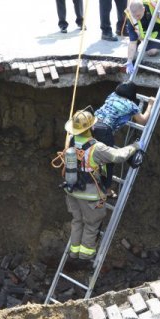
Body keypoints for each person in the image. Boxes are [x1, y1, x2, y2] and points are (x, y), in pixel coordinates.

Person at [63, 110, 141, 260]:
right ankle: (86, 255)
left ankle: (74, 252)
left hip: (72, 190)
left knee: (77, 220)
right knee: (92, 224)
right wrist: (135, 146)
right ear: (91, 128)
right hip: (90, 194)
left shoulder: (71, 139)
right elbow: (118, 156)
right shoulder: (96, 147)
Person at [92, 81, 154, 196]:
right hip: (104, 130)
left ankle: (94, 182)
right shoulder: (131, 106)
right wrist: (150, 104)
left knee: (93, 155)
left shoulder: (112, 96)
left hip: (92, 125)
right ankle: (106, 189)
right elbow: (143, 120)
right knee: (108, 161)